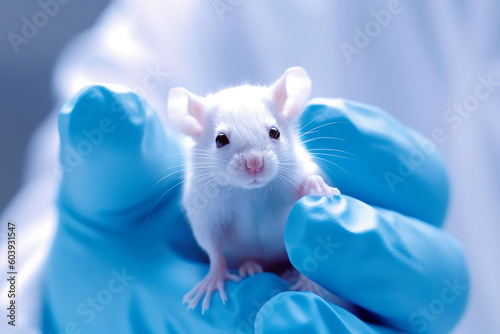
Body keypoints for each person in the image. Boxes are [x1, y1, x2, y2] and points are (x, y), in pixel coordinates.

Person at [1, 1, 497, 332]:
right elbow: (11, 262)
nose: (254, 161)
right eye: (224, 143)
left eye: (271, 137)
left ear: (286, 114)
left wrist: (311, 183)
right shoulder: (188, 17)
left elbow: (302, 172)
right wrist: (38, 305)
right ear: (195, 126)